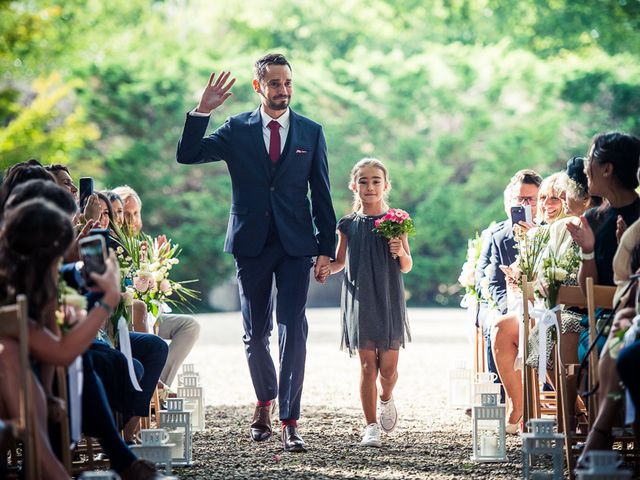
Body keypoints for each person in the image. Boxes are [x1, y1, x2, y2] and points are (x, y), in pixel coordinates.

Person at [176, 53, 336, 452]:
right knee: (255, 332)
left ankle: (290, 420)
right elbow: (188, 154)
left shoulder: (311, 132)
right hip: (251, 243)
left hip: (297, 244)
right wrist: (202, 111)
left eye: (287, 83)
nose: (282, 90)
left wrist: (325, 250)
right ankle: (264, 402)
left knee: (293, 328)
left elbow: (323, 194)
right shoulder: (236, 129)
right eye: (274, 83)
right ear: (258, 86)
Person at [318, 158, 411, 448]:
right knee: (368, 367)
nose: (369, 186)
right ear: (353, 186)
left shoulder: (397, 221)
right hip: (359, 298)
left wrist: (399, 250)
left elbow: (407, 265)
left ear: (385, 186)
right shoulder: (347, 224)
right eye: (363, 181)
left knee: (388, 370)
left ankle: (386, 397)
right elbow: (340, 262)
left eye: (375, 181)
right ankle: (371, 426)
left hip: (388, 296)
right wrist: (324, 268)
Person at [112, 185, 200, 389]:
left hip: (150, 314)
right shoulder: (114, 245)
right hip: (127, 314)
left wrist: (160, 260)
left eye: (135, 213)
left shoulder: (143, 244)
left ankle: (158, 385)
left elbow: (152, 287)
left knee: (189, 326)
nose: (131, 219)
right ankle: (153, 387)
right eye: (125, 214)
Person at [488, 169, 542, 433]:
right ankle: (517, 405)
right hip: (514, 306)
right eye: (521, 200)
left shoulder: (549, 231)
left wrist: (534, 239)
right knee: (500, 325)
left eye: (531, 200)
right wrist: (509, 303)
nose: (526, 206)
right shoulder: (501, 237)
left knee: (518, 325)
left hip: (545, 305)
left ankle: (575, 406)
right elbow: (494, 282)